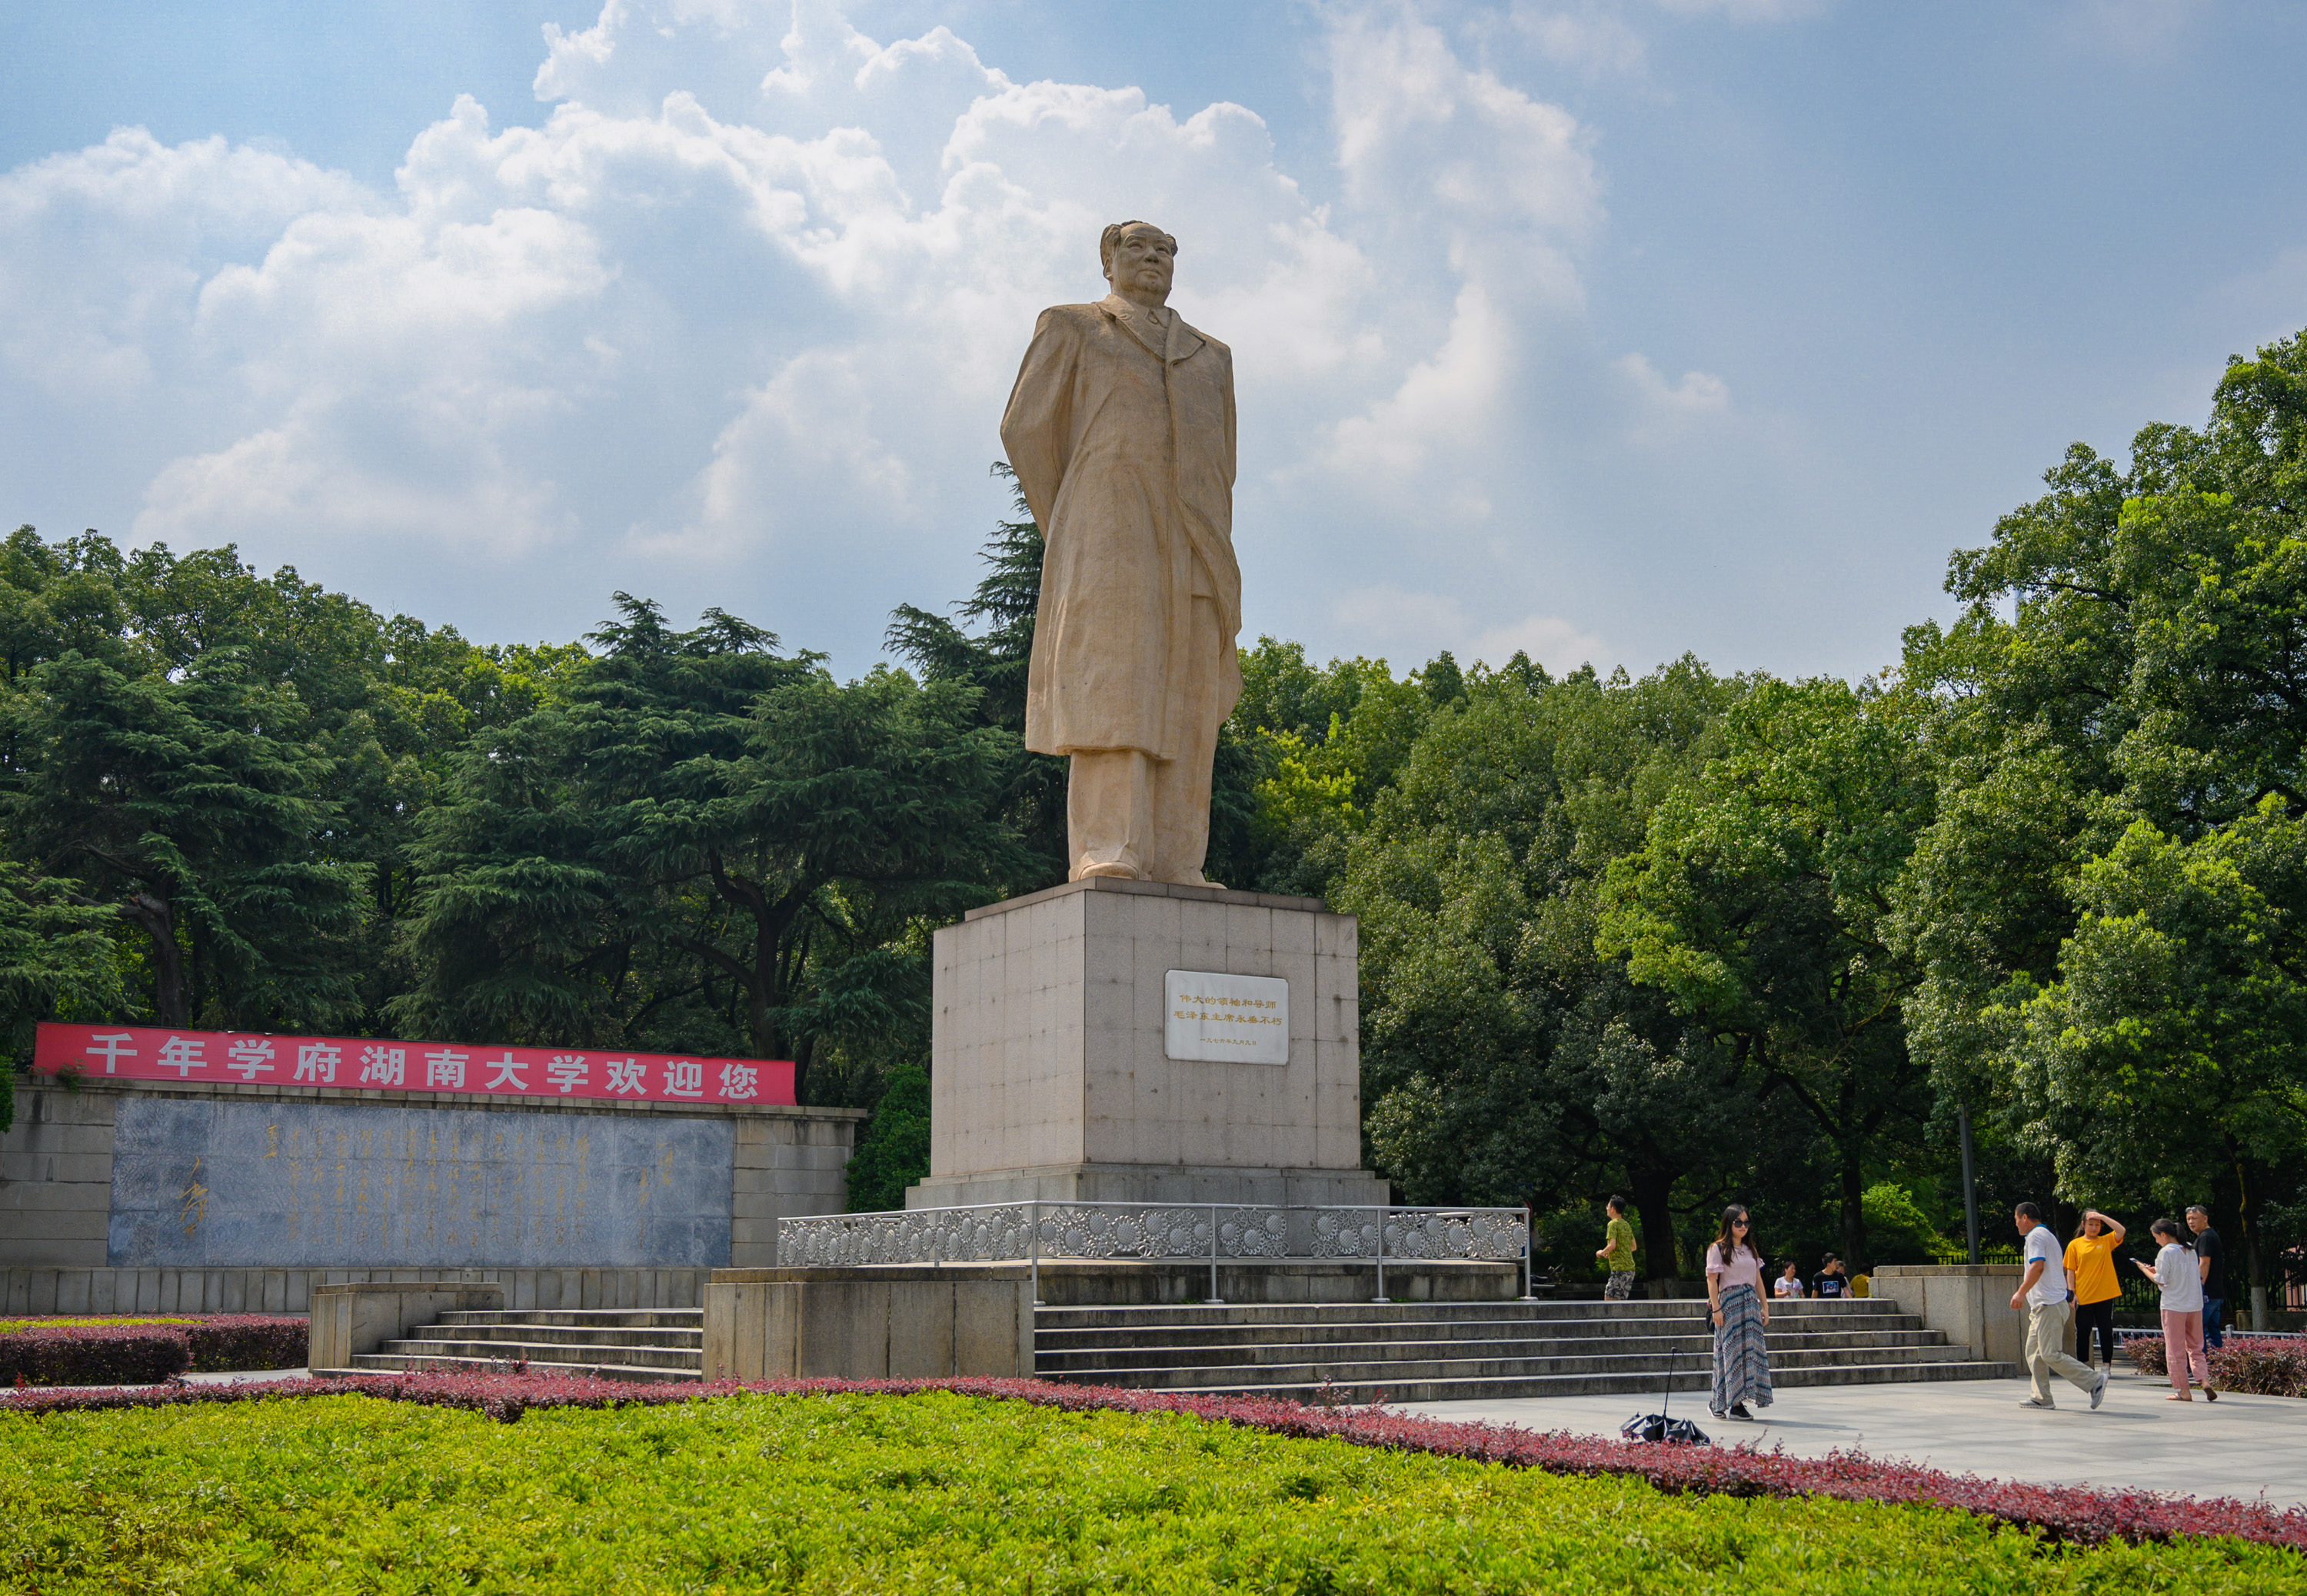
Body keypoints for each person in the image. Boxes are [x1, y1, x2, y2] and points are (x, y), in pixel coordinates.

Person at [1000, 220, 1241, 885]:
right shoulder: (1074, 326)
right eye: (1138, 247)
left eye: (1165, 249)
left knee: (1190, 700)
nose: (1154, 258)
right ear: (1107, 261)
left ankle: (1178, 859)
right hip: (1110, 531)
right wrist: (1077, 515)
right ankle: (1110, 847)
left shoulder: (1211, 355)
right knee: (1115, 688)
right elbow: (1025, 429)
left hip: (1196, 541)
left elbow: (1225, 459)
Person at [2010, 1202, 2109, 1411]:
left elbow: (2038, 1266)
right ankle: (2041, 1397)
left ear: (2025, 1217)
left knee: (2049, 1354)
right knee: (2034, 1353)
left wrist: (2020, 1292)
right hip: (2045, 1305)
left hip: (2049, 1304)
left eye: (2017, 1219)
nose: (2016, 1224)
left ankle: (2094, 1381)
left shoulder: (2036, 1236)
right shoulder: (2045, 1235)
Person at [1705, 1204, 1773, 1421]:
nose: (1743, 1226)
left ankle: (1738, 1403)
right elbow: (1712, 1280)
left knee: (1747, 1354)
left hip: (1750, 1304)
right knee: (1729, 1354)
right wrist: (1716, 1308)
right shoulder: (1717, 1249)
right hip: (1729, 1305)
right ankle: (1718, 1402)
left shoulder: (1750, 1249)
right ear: (1729, 1223)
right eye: (1738, 1222)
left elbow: (1758, 1280)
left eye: (1746, 1222)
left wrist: (1765, 1306)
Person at [2135, 1218, 2215, 1401]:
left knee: (2175, 1349)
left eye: (2156, 1237)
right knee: (2196, 1347)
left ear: (2163, 1235)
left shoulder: (2165, 1252)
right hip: (2194, 1305)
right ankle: (2204, 1381)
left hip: (2174, 1306)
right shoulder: (2190, 1250)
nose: (2156, 1241)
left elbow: (2161, 1280)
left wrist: (2144, 1270)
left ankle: (2183, 1391)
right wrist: (2157, 1270)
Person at [2063, 1209, 2126, 1370]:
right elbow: (2070, 1271)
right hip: (2083, 1295)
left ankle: (2106, 1366)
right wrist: (2071, 1293)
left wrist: (2102, 1217)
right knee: (2083, 1331)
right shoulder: (2074, 1245)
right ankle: (2083, 1366)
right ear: (2083, 1225)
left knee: (2106, 1330)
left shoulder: (2105, 1241)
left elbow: (2121, 1231)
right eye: (2091, 1224)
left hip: (2105, 1294)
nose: (2094, 1228)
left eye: (2097, 1225)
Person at [2186, 1205, 2226, 1349]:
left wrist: (2198, 1287)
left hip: (2206, 1293)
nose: (2191, 1222)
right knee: (2212, 1330)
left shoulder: (2205, 1237)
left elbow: (2204, 1264)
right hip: (2215, 1293)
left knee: (2196, 1330)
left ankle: (2200, 1367)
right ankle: (2215, 1366)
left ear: (2205, 1218)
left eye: (2194, 1218)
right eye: (2189, 1219)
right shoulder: (2208, 1235)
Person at [1594, 1195, 1637, 1301]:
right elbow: (1633, 1247)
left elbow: (1612, 1245)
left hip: (1619, 1270)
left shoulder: (1612, 1224)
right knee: (1620, 1304)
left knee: (1609, 1300)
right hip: (1630, 1270)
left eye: (1608, 1206)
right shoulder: (1626, 1225)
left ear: (1613, 1209)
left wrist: (1601, 1252)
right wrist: (1617, 1253)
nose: (1607, 1208)